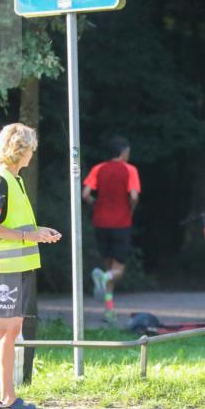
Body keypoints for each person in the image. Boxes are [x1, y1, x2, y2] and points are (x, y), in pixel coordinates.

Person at [0, 123, 61, 409]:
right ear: (21, 150)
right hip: (3, 267)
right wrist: (29, 235)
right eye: (31, 148)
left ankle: (10, 397)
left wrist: (38, 230)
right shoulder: (0, 181)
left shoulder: (16, 180)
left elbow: (15, 224)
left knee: (13, 330)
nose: (33, 154)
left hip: (20, 266)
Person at [82, 136, 141, 325]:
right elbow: (133, 196)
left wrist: (96, 204)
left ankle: (109, 311)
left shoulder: (98, 169)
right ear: (124, 153)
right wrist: (130, 209)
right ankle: (104, 277)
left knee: (108, 265)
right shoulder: (130, 170)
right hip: (121, 223)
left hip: (100, 223)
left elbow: (85, 194)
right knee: (118, 270)